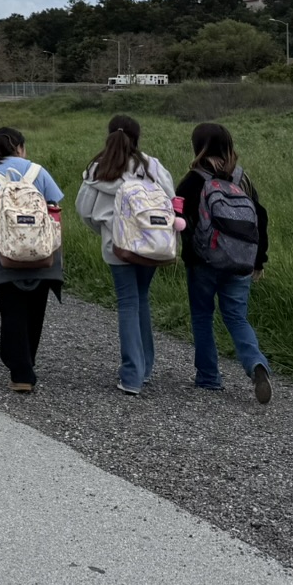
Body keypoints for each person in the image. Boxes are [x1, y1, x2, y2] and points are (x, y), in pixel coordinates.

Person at [76, 114, 175, 396]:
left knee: (128, 303)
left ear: (108, 135)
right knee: (142, 299)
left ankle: (131, 375)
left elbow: (84, 211)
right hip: (151, 245)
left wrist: (106, 231)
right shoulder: (152, 166)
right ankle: (144, 370)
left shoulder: (99, 168)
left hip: (117, 247)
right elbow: (170, 198)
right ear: (137, 137)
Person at [177, 122, 274, 403]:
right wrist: (258, 260)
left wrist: (187, 253)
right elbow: (261, 217)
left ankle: (209, 377)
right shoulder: (241, 178)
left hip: (204, 262)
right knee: (236, 316)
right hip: (241, 262)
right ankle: (257, 364)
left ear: (198, 147)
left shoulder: (192, 180)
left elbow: (180, 221)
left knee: (202, 316)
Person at [0, 127, 64, 394]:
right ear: (19, 147)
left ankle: (21, 371)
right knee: (35, 311)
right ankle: (26, 361)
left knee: (12, 311)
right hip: (43, 254)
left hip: (3, 254)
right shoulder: (38, 172)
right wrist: (52, 248)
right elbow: (55, 209)